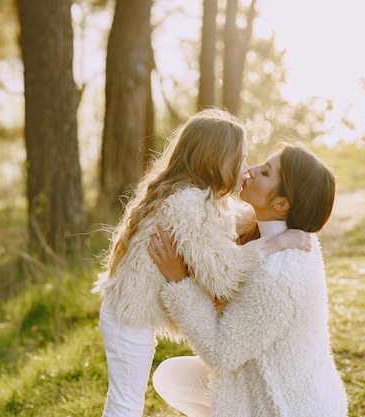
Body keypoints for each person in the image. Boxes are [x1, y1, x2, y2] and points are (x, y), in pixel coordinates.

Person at [92, 109, 308, 417]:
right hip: (128, 319)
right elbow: (223, 274)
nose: (247, 169)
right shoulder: (187, 204)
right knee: (125, 403)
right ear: (217, 161)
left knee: (127, 399)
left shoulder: (203, 198)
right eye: (242, 158)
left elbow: (230, 225)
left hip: (128, 315)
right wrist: (275, 242)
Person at [149, 143, 348, 416]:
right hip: (294, 390)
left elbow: (220, 354)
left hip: (284, 408)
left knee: (175, 376)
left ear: (281, 203)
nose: (251, 172)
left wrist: (179, 280)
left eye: (265, 172)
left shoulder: (279, 277)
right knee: (170, 375)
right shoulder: (277, 234)